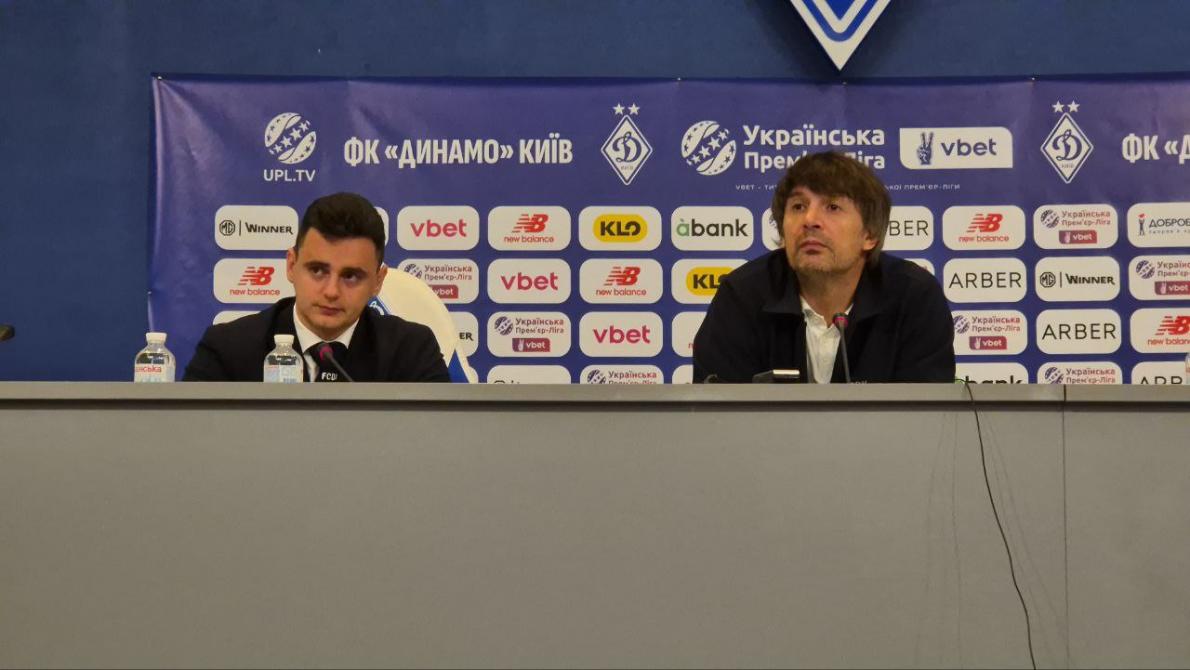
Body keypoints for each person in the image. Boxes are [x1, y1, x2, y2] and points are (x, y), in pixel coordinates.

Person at [693, 152, 955, 383]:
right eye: (798, 206)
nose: (809, 220)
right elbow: (718, 415)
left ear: (870, 235)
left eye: (832, 207)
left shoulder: (913, 297)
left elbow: (926, 416)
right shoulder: (742, 296)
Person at [184, 192, 450, 382]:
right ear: (291, 265)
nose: (331, 291)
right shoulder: (229, 350)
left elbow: (439, 441)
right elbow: (190, 439)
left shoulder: (411, 352)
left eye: (351, 276)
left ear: (377, 282)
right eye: (318, 271)